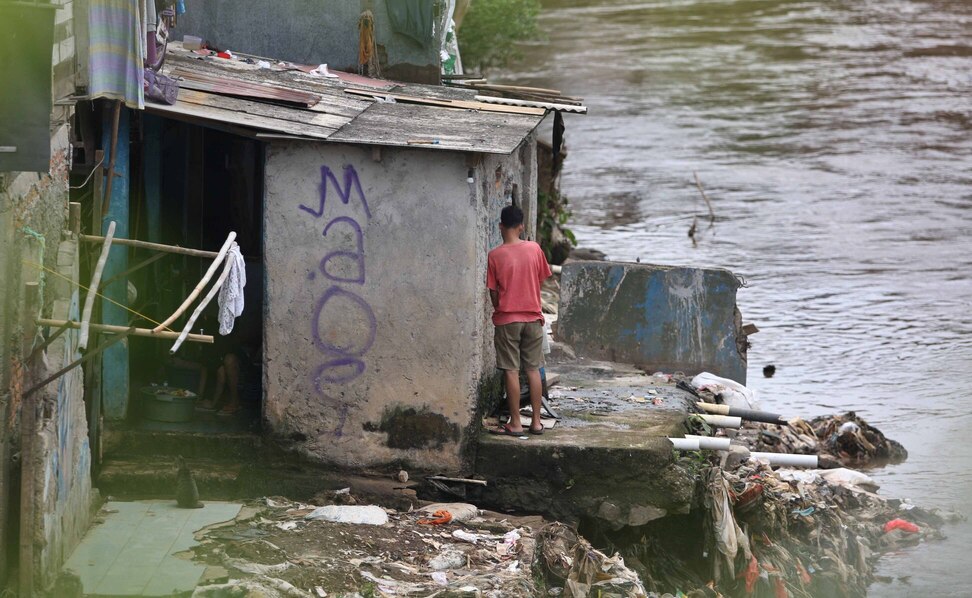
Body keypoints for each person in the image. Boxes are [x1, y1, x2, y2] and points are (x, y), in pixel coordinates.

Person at [486, 204, 552, 435]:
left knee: (511, 371)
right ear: (522, 226)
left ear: (501, 226)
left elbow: (493, 292)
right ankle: (535, 422)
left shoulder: (494, 256)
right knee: (533, 369)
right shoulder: (534, 249)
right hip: (533, 318)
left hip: (507, 320)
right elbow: (541, 279)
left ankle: (515, 423)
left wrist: (502, 306)